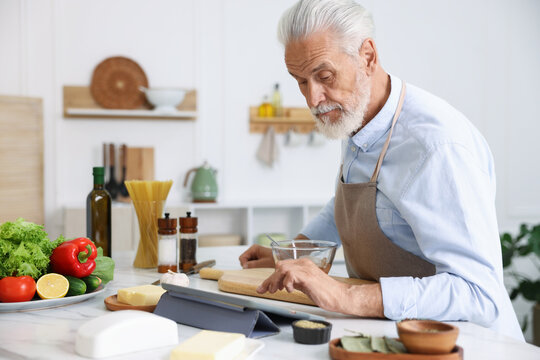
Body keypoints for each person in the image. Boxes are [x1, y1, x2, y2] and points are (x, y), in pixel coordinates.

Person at [239, 0, 523, 341]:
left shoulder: (436, 147)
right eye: (300, 81)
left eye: (324, 76)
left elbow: (480, 294)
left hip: (468, 345)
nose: (313, 99)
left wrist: (347, 296)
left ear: (368, 57)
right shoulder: (356, 117)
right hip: (393, 339)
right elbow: (352, 208)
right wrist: (292, 256)